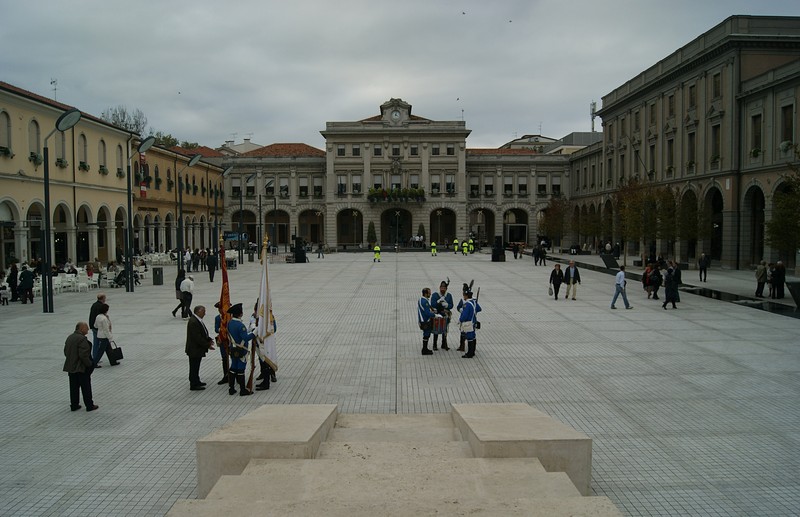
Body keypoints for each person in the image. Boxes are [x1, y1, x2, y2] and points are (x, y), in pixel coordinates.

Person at [63, 322, 98, 412]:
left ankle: (74, 405)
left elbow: (66, 352)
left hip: (71, 367)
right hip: (81, 368)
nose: (88, 329)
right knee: (86, 387)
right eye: (86, 328)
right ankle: (89, 405)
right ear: (81, 329)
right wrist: (89, 364)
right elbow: (84, 355)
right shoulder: (82, 339)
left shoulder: (70, 337)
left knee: (73, 387)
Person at [226, 303, 254, 396]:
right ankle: (242, 390)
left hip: (233, 349)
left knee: (233, 367)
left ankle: (231, 388)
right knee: (241, 368)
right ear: (240, 314)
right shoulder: (240, 325)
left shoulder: (230, 323)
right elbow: (245, 338)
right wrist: (255, 333)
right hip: (242, 350)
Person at [186, 305, 214, 391]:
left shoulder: (197, 320)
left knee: (196, 366)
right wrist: (207, 345)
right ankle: (193, 384)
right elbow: (197, 337)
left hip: (197, 349)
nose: (205, 313)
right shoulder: (193, 322)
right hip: (194, 349)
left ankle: (196, 380)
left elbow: (202, 333)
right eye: (203, 311)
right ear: (198, 311)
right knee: (194, 366)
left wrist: (208, 339)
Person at [458, 285, 482, 358]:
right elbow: (479, 309)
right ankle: (473, 351)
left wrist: (460, 320)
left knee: (469, 337)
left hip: (468, 323)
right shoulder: (474, 302)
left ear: (466, 296)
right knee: (473, 337)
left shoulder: (467, 304)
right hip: (473, 322)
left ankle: (470, 353)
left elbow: (464, 316)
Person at [430, 280, 453, 351]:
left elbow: (451, 305)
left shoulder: (449, 295)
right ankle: (434, 344)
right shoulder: (435, 295)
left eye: (444, 288)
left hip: (445, 314)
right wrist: (438, 302)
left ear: (446, 289)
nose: (442, 289)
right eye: (441, 288)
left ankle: (444, 343)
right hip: (437, 314)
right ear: (439, 288)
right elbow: (432, 304)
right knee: (436, 329)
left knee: (445, 329)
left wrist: (446, 305)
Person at [213, 302, 230, 385]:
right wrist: (222, 329)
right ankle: (226, 375)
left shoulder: (230, 317)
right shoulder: (217, 318)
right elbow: (216, 329)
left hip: (230, 340)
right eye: (220, 309)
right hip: (222, 340)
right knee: (224, 358)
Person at [88, 293, 107, 367]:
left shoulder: (94, 304)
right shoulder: (100, 306)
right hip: (97, 328)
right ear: (102, 298)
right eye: (105, 298)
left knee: (96, 343)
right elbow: (100, 318)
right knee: (97, 343)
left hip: (93, 326)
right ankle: (95, 359)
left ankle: (95, 358)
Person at [417, 288, 435, 355]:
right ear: (425, 294)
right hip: (425, 321)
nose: (430, 294)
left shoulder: (421, 299)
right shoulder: (425, 302)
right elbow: (427, 313)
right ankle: (424, 349)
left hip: (422, 320)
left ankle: (425, 348)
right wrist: (434, 314)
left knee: (426, 334)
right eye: (429, 293)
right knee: (426, 334)